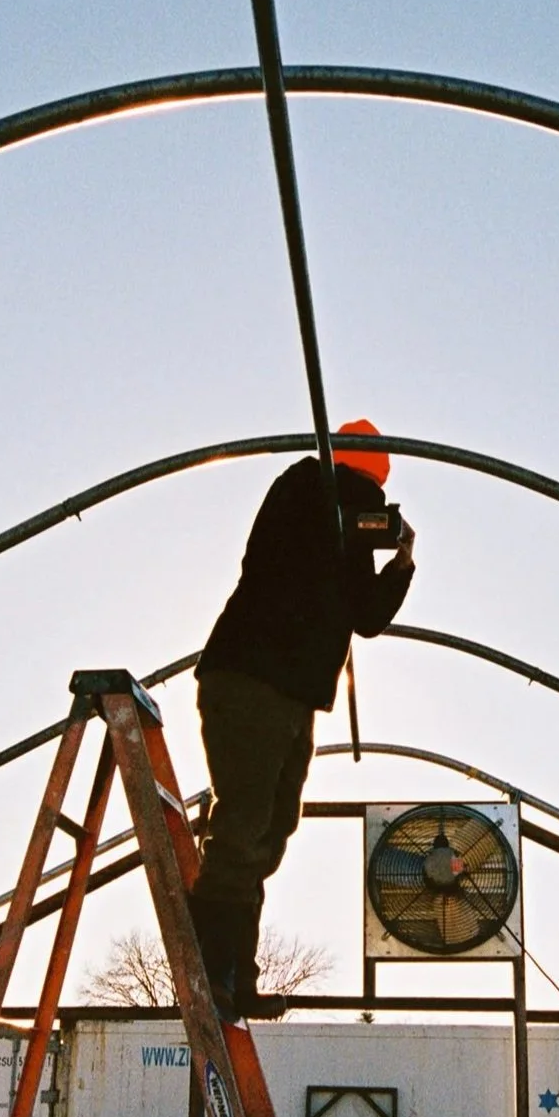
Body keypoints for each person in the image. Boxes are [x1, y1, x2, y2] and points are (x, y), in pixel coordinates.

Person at [188, 419, 416, 1019]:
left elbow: (364, 616)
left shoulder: (343, 534)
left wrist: (399, 565)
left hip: (290, 695)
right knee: (244, 823)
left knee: (271, 829)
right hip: (250, 679)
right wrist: (355, 519)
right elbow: (278, 554)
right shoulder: (304, 489)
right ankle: (210, 970)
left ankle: (237, 975)